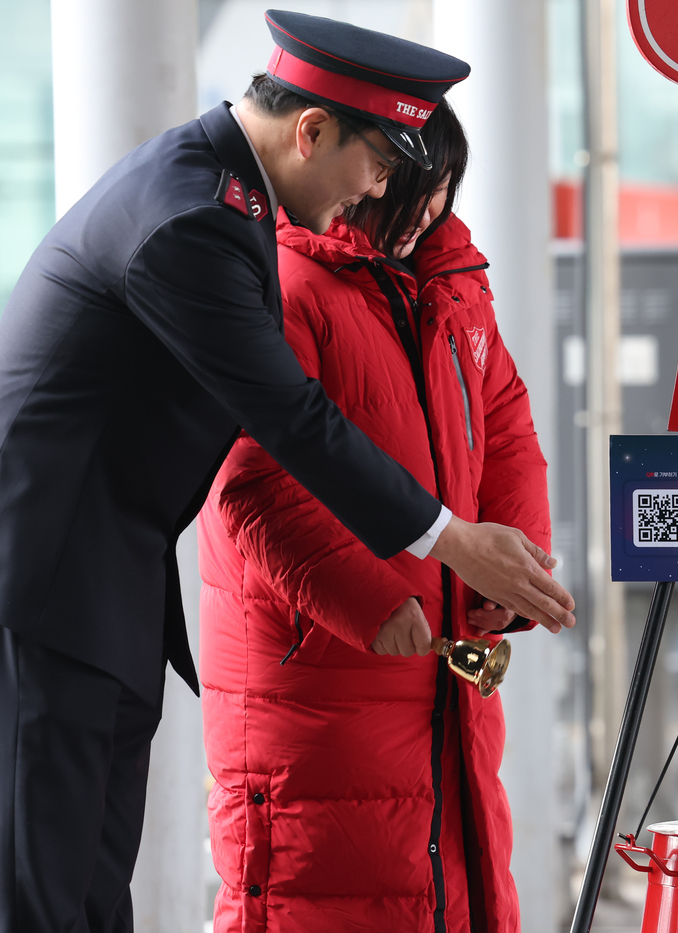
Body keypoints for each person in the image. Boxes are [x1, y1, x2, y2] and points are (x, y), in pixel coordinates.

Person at [0, 11, 572, 932]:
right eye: (379, 166)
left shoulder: (222, 201)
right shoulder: (193, 220)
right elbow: (287, 425)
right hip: (47, 586)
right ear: (312, 132)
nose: (381, 190)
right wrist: (451, 541)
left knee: (91, 881)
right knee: (43, 885)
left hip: (99, 582)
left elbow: (499, 416)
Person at [199, 98, 541, 933]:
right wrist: (372, 600)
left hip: (441, 662)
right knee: (322, 890)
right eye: (408, 188)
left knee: (447, 883)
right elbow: (248, 477)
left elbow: (503, 420)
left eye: (442, 196)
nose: (426, 214)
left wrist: (511, 568)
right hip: (319, 667)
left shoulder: (453, 287)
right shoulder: (284, 283)